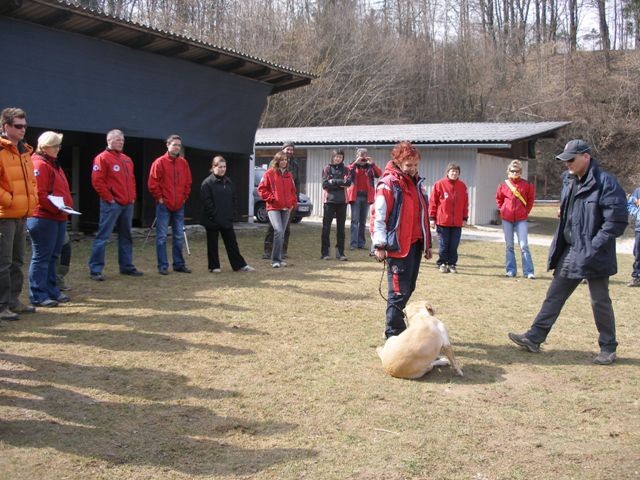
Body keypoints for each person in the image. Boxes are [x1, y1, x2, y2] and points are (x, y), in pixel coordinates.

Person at [508, 139, 628, 365]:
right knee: (555, 294)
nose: (567, 165)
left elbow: (617, 221)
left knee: (599, 301)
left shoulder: (606, 184)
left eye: (571, 160)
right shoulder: (568, 181)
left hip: (595, 252)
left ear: (586, 157)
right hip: (571, 249)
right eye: (565, 161)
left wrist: (595, 244)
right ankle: (534, 337)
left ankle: (608, 347)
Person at [371, 141, 432, 338]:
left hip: (414, 245)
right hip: (396, 246)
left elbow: (422, 216)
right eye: (408, 165)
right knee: (398, 292)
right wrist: (379, 245)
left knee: (409, 288)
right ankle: (393, 333)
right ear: (398, 162)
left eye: (415, 165)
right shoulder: (388, 184)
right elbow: (378, 217)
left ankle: (395, 327)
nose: (413, 169)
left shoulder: (418, 184)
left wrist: (427, 244)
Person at [88, 129, 143, 280]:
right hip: (112, 204)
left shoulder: (127, 159)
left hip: (127, 204)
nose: (121, 142)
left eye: (123, 140)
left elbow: (131, 180)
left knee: (126, 236)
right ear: (109, 140)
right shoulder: (102, 158)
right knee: (103, 236)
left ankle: (126, 266)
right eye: (118, 139)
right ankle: (95, 269)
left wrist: (132, 196)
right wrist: (109, 198)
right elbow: (97, 181)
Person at [27, 131, 73, 307]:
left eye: (59, 146)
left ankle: (52, 289)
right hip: (44, 217)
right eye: (56, 146)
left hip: (57, 216)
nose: (58, 149)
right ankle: (38, 294)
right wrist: (58, 208)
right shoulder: (40, 164)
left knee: (53, 256)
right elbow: (40, 194)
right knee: (42, 257)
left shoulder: (53, 163)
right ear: (45, 146)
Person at [0, 107, 37, 321]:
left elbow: (31, 182)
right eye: (18, 126)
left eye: (24, 126)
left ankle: (14, 300)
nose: (23, 129)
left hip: (22, 215)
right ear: (6, 127)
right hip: (5, 216)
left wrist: (33, 200)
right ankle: (2, 304)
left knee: (17, 261)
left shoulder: (25, 152)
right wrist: (11, 200)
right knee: (3, 263)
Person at [200, 155, 254, 273]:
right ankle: (214, 266)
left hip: (226, 219)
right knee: (212, 244)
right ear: (213, 167)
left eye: (224, 167)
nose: (222, 169)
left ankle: (239, 265)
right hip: (212, 219)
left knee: (232, 243)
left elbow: (234, 198)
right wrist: (216, 215)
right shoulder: (207, 183)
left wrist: (232, 213)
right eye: (220, 167)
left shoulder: (228, 181)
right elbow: (207, 202)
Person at [147, 134, 192, 275]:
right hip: (163, 205)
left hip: (179, 204)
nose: (177, 147)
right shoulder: (159, 162)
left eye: (179, 145)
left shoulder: (183, 163)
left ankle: (179, 264)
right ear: (168, 145)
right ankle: (163, 265)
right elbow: (152, 183)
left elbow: (188, 182)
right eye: (174, 144)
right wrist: (159, 198)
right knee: (161, 237)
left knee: (178, 236)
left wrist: (184, 197)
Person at [495, 159, 536, 279]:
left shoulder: (527, 185)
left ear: (521, 172)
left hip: (521, 219)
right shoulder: (503, 185)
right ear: (508, 172)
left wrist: (525, 212)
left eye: (517, 171)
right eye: (512, 171)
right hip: (507, 218)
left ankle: (528, 272)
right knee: (509, 246)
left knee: (524, 245)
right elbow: (499, 199)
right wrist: (503, 209)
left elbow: (530, 200)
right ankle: (511, 270)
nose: (515, 173)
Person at [258, 151, 297, 268]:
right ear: (277, 161)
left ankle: (279, 259)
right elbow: (261, 189)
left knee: (282, 233)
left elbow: (293, 191)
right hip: (273, 207)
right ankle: (275, 260)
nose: (284, 162)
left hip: (286, 208)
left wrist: (292, 204)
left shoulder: (289, 175)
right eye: (282, 160)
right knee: (278, 231)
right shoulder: (269, 173)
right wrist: (272, 199)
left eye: (285, 160)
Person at [429, 163, 468, 274]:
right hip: (443, 221)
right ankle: (441, 263)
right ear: (448, 172)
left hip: (457, 222)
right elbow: (433, 202)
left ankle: (452, 264)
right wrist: (432, 218)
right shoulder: (439, 184)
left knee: (454, 244)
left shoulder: (462, 186)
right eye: (452, 171)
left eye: (456, 171)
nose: (454, 173)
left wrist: (464, 218)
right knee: (443, 244)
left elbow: (465, 203)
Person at [347, 148, 381, 250]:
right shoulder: (352, 166)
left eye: (364, 155)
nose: (363, 157)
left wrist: (372, 163)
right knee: (354, 221)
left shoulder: (370, 167)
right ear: (357, 155)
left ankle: (361, 243)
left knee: (362, 221)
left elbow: (379, 174)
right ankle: (353, 244)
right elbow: (347, 172)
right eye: (361, 155)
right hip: (355, 196)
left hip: (366, 197)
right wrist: (355, 162)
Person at [321, 149, 352, 260]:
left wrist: (333, 181)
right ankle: (325, 253)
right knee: (326, 228)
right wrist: (340, 183)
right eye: (336, 156)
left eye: (340, 157)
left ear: (342, 158)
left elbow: (348, 183)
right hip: (329, 201)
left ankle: (340, 253)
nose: (338, 158)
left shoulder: (347, 169)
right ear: (333, 157)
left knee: (341, 229)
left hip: (342, 202)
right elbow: (325, 185)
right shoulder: (327, 169)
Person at [627, 186, 640, 287]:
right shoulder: (638, 191)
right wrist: (636, 213)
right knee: (638, 252)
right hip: (639, 228)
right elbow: (630, 204)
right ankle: (636, 277)